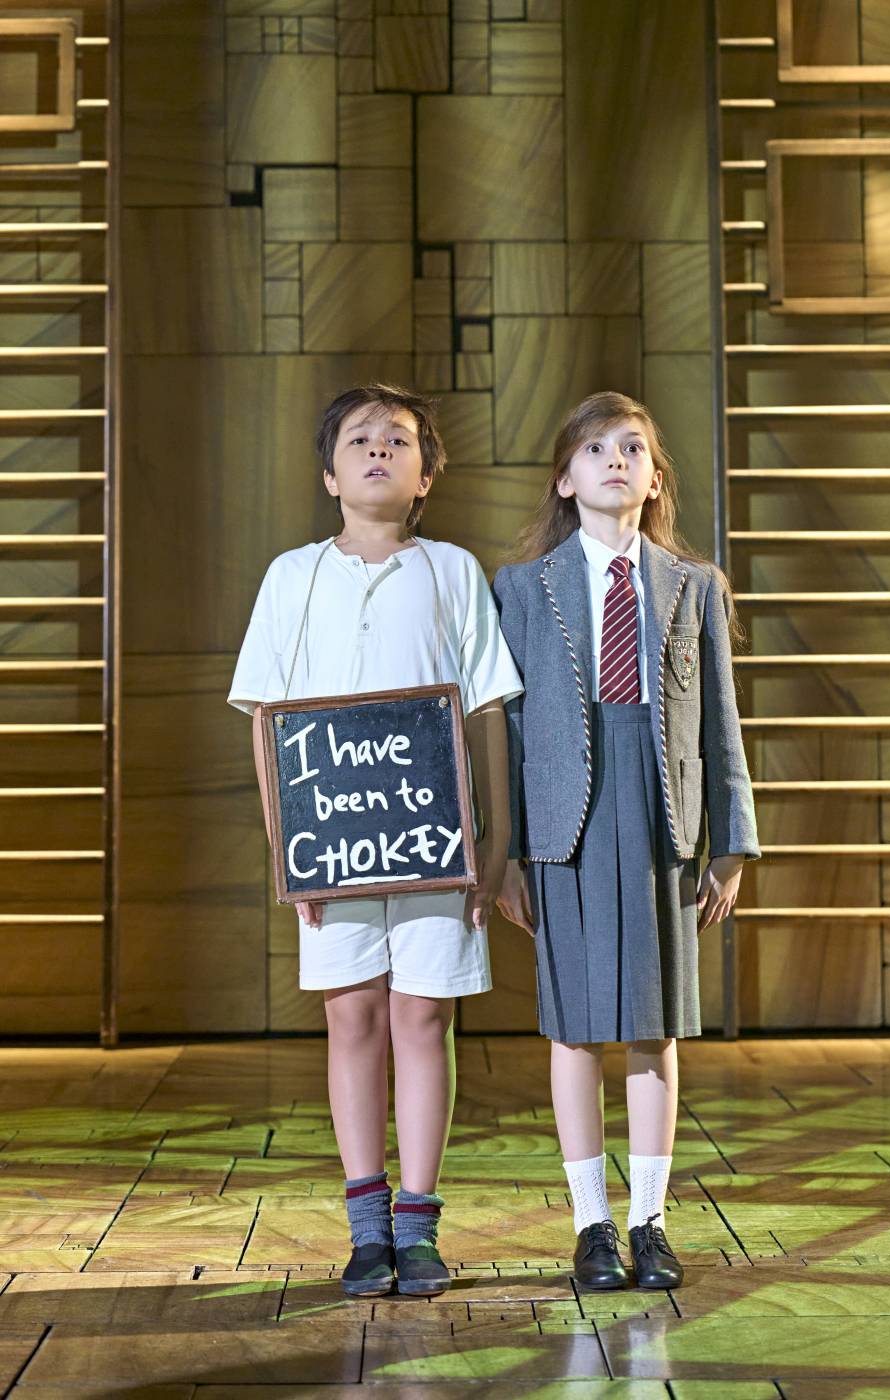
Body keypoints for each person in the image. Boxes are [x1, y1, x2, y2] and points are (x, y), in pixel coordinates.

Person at [228, 384, 521, 1298]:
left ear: (425, 475)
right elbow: (268, 721)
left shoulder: (453, 570)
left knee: (423, 1019)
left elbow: (486, 710)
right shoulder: (292, 575)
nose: (378, 451)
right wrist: (288, 845)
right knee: (351, 1017)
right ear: (329, 474)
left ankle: (418, 1226)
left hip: (438, 843)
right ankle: (366, 1229)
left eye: (398, 440)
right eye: (359, 440)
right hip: (332, 846)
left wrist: (495, 840)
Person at [493, 390, 759, 1292]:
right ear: (565, 480)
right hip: (562, 826)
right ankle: (591, 1225)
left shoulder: (693, 586)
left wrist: (730, 843)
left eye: (633, 447)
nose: (616, 460)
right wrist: (504, 855)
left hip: (660, 818)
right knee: (574, 1029)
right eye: (595, 448)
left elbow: (719, 720)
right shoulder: (521, 589)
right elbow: (509, 731)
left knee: (653, 1024)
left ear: (654, 478)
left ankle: (648, 1220)